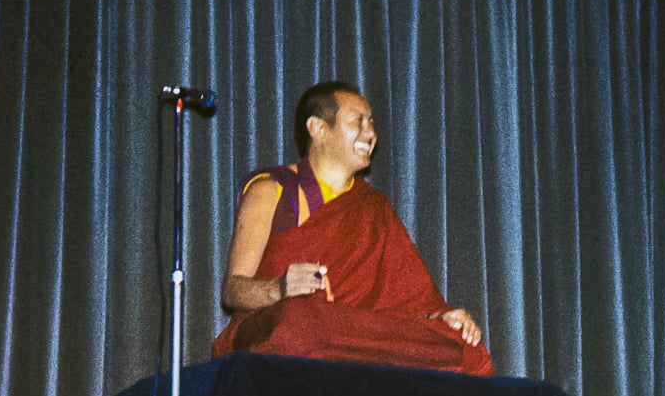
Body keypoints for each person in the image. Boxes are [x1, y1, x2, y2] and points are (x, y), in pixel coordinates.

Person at [211, 80, 494, 376]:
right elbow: (233, 290)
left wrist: (441, 316)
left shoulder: (373, 208)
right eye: (357, 121)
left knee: (462, 345)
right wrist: (278, 288)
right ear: (318, 129)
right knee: (301, 320)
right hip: (280, 327)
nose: (370, 133)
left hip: (350, 331)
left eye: (371, 123)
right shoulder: (272, 190)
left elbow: (407, 300)